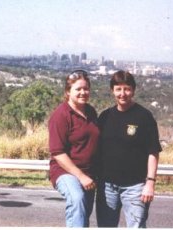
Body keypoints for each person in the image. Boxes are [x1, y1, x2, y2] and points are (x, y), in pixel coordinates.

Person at [96, 70, 162, 228]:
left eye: (127, 89)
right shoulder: (105, 117)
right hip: (107, 187)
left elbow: (153, 152)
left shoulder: (144, 117)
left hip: (135, 187)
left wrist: (150, 183)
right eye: (118, 89)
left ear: (133, 90)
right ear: (112, 90)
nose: (122, 93)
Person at [48, 70, 99, 227]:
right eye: (78, 89)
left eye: (86, 89)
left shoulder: (90, 111)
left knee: (82, 217)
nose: (83, 92)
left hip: (89, 172)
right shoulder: (60, 115)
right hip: (65, 171)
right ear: (68, 92)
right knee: (77, 199)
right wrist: (81, 176)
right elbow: (57, 152)